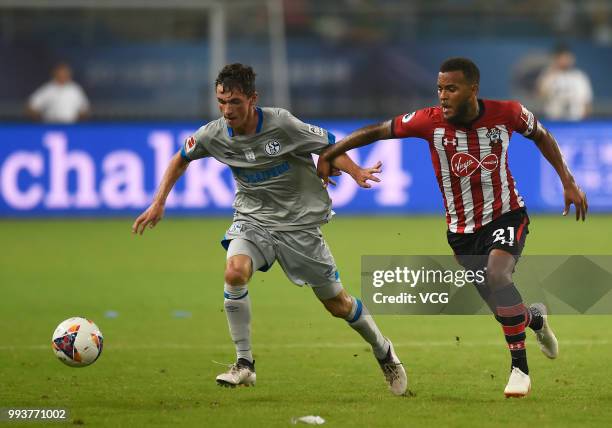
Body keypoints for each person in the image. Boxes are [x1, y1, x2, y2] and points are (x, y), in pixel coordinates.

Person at [317, 57, 588, 398]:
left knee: (499, 275)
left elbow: (543, 136)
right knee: (502, 308)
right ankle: (534, 319)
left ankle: (520, 369)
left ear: (472, 89)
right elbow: (377, 130)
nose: (443, 96)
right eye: (440, 88)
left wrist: (568, 180)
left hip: (507, 214)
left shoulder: (509, 113)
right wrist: (332, 151)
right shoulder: (427, 121)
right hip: (462, 232)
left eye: (451, 88)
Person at [132, 63, 408, 395]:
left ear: (252, 99)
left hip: (298, 225)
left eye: (234, 102)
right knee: (234, 272)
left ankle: (383, 350)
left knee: (338, 305)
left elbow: (329, 144)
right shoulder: (213, 134)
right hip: (253, 219)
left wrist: (355, 171)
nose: (226, 110)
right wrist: (159, 201)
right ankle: (244, 364)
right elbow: (181, 158)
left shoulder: (282, 124)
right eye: (221, 101)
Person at [537, 44, 593, 121]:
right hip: (554, 121)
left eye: (567, 57)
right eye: (562, 57)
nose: (565, 60)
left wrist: (584, 122)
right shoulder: (548, 75)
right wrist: (551, 72)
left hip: (576, 121)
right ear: (556, 58)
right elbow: (540, 95)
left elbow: (587, 103)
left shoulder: (579, 76)